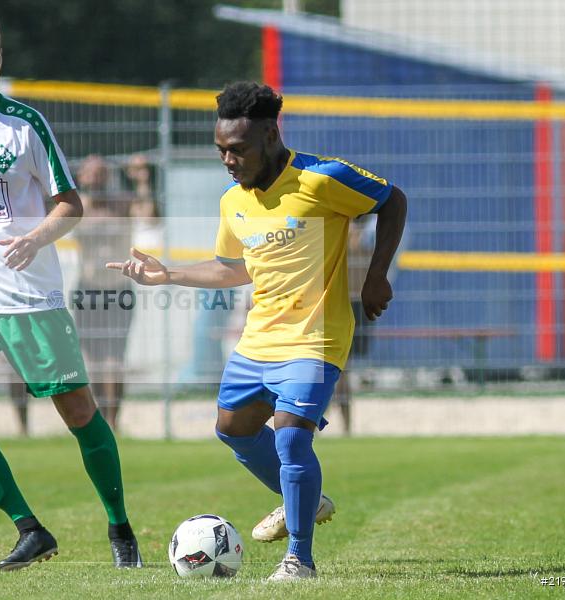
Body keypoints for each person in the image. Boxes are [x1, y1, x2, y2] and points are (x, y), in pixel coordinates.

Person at [108, 81, 407, 581]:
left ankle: (300, 559)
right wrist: (169, 274)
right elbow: (233, 269)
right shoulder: (233, 202)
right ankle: (304, 502)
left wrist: (376, 275)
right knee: (233, 430)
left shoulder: (321, 178)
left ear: (270, 135)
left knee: (291, 441)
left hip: (317, 337)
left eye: (238, 149)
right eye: (221, 149)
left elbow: (392, 200)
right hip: (259, 339)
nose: (228, 159)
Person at [0, 14, 141, 572]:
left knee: (79, 411)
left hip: (27, 297)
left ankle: (119, 525)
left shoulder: (24, 126)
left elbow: (70, 204)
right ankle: (29, 528)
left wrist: (36, 239)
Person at [73, 154, 155, 430]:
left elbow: (150, 217)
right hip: (88, 289)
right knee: (93, 360)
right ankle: (99, 419)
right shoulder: (77, 206)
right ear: (82, 177)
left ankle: (113, 420)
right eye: (90, 173)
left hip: (118, 289)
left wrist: (142, 181)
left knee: (114, 359)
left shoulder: (122, 203)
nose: (95, 178)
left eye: (100, 173)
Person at [332, 214, 377, 435]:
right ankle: (333, 423)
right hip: (334, 306)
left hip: (352, 306)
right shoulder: (334, 239)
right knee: (334, 373)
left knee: (340, 373)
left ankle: (344, 427)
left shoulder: (366, 242)